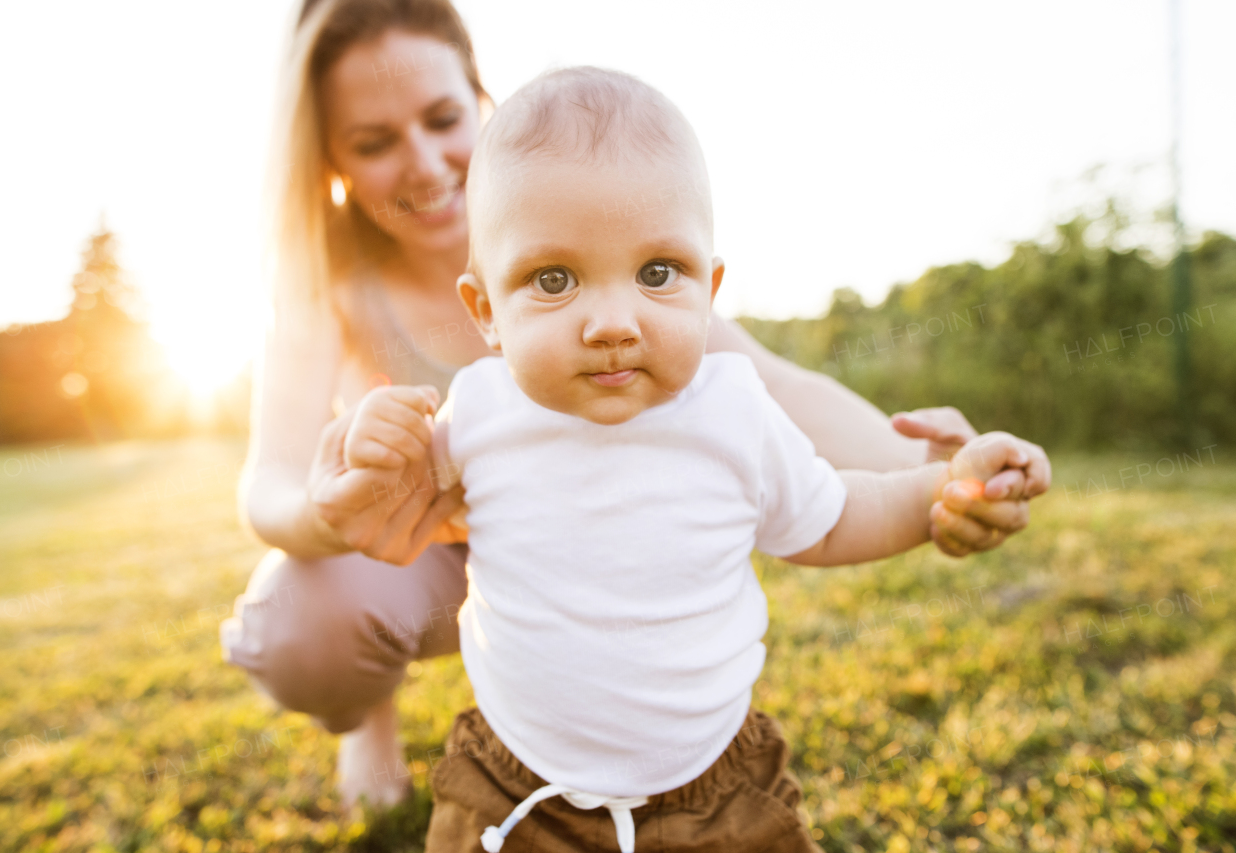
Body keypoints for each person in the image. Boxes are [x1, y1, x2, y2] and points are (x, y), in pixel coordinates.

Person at [219, 0, 1051, 811]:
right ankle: (368, 712)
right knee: (299, 620)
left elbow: (774, 390)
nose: (427, 164)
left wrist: (933, 474)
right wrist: (337, 511)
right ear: (328, 158)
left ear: (478, 98)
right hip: (428, 543)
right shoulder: (322, 283)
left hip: (609, 547)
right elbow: (272, 483)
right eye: (373, 142)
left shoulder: (607, 218)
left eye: (441, 119)